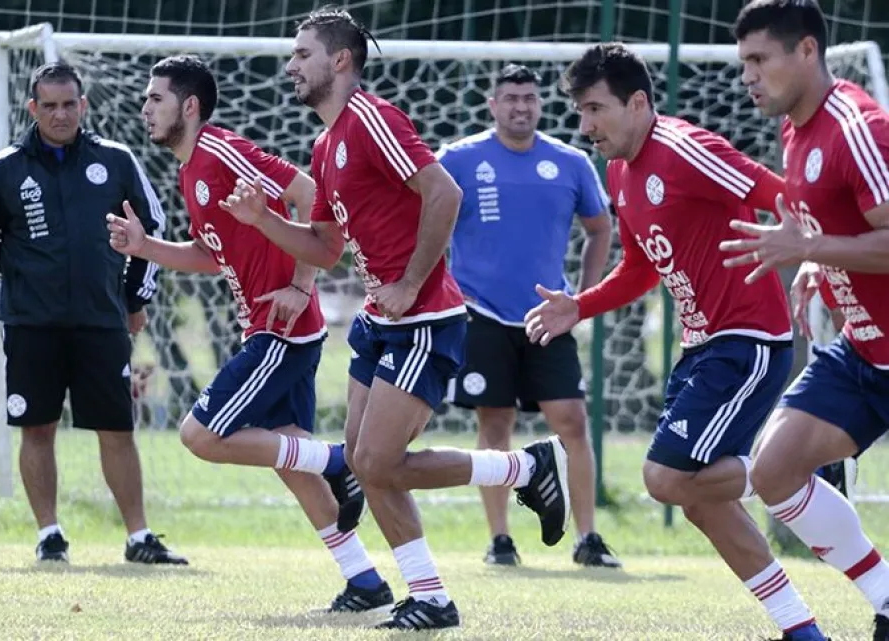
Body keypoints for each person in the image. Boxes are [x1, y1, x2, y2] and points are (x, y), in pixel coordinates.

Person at [220, 8, 570, 630]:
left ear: (341, 61)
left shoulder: (371, 118)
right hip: (381, 324)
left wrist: (411, 282)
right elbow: (327, 248)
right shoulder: (326, 144)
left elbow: (446, 193)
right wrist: (264, 223)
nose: (292, 65)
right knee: (362, 461)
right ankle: (429, 595)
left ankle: (524, 468)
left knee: (376, 463)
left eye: (303, 54)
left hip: (425, 320)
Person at [524, 43, 828, 641]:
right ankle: (802, 630)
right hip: (701, 348)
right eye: (580, 113)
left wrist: (818, 253)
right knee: (699, 501)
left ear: (638, 102)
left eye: (595, 109)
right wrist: (578, 306)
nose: (585, 127)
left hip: (745, 338)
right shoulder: (620, 170)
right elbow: (640, 268)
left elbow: (776, 191)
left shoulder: (686, 149)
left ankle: (787, 467)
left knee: (665, 479)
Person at [106, 54, 392, 613]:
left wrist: (304, 284)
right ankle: (364, 582)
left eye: (155, 98)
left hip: (281, 333)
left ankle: (339, 461)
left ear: (189, 106)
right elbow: (211, 257)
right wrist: (144, 248)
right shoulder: (191, 171)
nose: (145, 108)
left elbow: (310, 193)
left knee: (200, 435)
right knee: (292, 465)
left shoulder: (219, 151)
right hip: (274, 331)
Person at [0, 61, 186, 565]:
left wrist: (133, 299)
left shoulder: (117, 160)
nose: (61, 115)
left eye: (69, 105)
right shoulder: (5, 167)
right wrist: (20, 279)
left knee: (117, 428)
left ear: (83, 106)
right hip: (30, 324)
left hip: (102, 322)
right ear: (33, 107)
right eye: (50, 105)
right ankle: (49, 534)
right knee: (36, 427)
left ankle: (139, 537)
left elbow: (152, 230)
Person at [724, 2, 889, 638]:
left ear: (808, 52)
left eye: (759, 60)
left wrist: (811, 249)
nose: (748, 76)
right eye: (744, 63)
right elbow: (837, 225)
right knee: (773, 471)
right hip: (863, 350)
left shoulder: (857, 127)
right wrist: (817, 264)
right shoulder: (797, 129)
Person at [437, 63, 620, 568]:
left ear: (540, 105)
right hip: (480, 314)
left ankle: (588, 539)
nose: (521, 106)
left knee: (573, 422)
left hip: (549, 315)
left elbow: (599, 228)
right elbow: (424, 216)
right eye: (511, 98)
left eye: (529, 99)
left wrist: (585, 296)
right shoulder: (458, 159)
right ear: (492, 104)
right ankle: (500, 540)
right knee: (495, 424)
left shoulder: (570, 162)